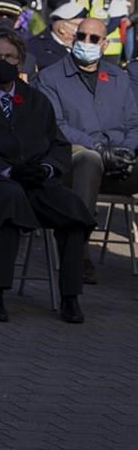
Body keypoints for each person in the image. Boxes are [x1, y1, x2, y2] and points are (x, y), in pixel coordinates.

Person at [0, 27, 94, 323]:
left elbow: (59, 145)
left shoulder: (36, 100)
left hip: (33, 182)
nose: (4, 61)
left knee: (72, 208)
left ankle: (70, 296)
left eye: (10, 57)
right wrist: (6, 170)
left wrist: (46, 168)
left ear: (21, 62)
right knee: (9, 198)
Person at [35, 18, 138, 285]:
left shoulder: (118, 76)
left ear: (105, 43)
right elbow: (56, 126)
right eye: (82, 36)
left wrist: (124, 151)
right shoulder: (50, 77)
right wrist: (101, 150)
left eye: (94, 39)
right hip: (76, 160)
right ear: (72, 38)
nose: (87, 43)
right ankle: (78, 254)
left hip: (120, 160)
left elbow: (134, 123)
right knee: (89, 160)